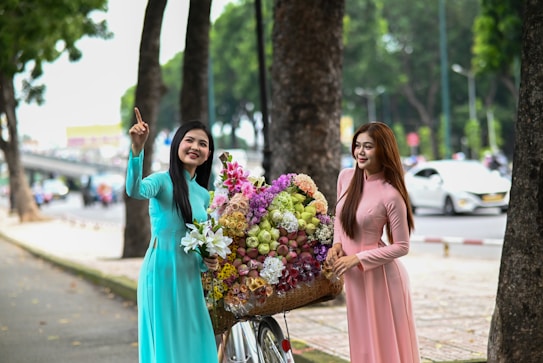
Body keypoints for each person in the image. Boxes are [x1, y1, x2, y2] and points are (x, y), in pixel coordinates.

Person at [126, 107, 219, 363]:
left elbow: (200, 243)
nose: (195, 147)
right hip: (161, 272)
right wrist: (137, 150)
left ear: (208, 154)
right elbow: (135, 190)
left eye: (203, 144)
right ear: (177, 144)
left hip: (190, 276)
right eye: (189, 140)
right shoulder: (161, 181)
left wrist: (208, 260)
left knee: (196, 342)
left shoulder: (203, 195)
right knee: (167, 347)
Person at [326, 121, 420, 363]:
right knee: (363, 344)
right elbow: (340, 218)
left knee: (385, 347)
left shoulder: (391, 193)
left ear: (383, 150)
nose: (360, 152)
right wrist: (337, 245)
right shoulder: (346, 177)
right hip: (355, 278)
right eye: (357, 145)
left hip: (383, 281)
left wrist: (357, 258)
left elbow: (402, 246)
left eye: (368, 146)